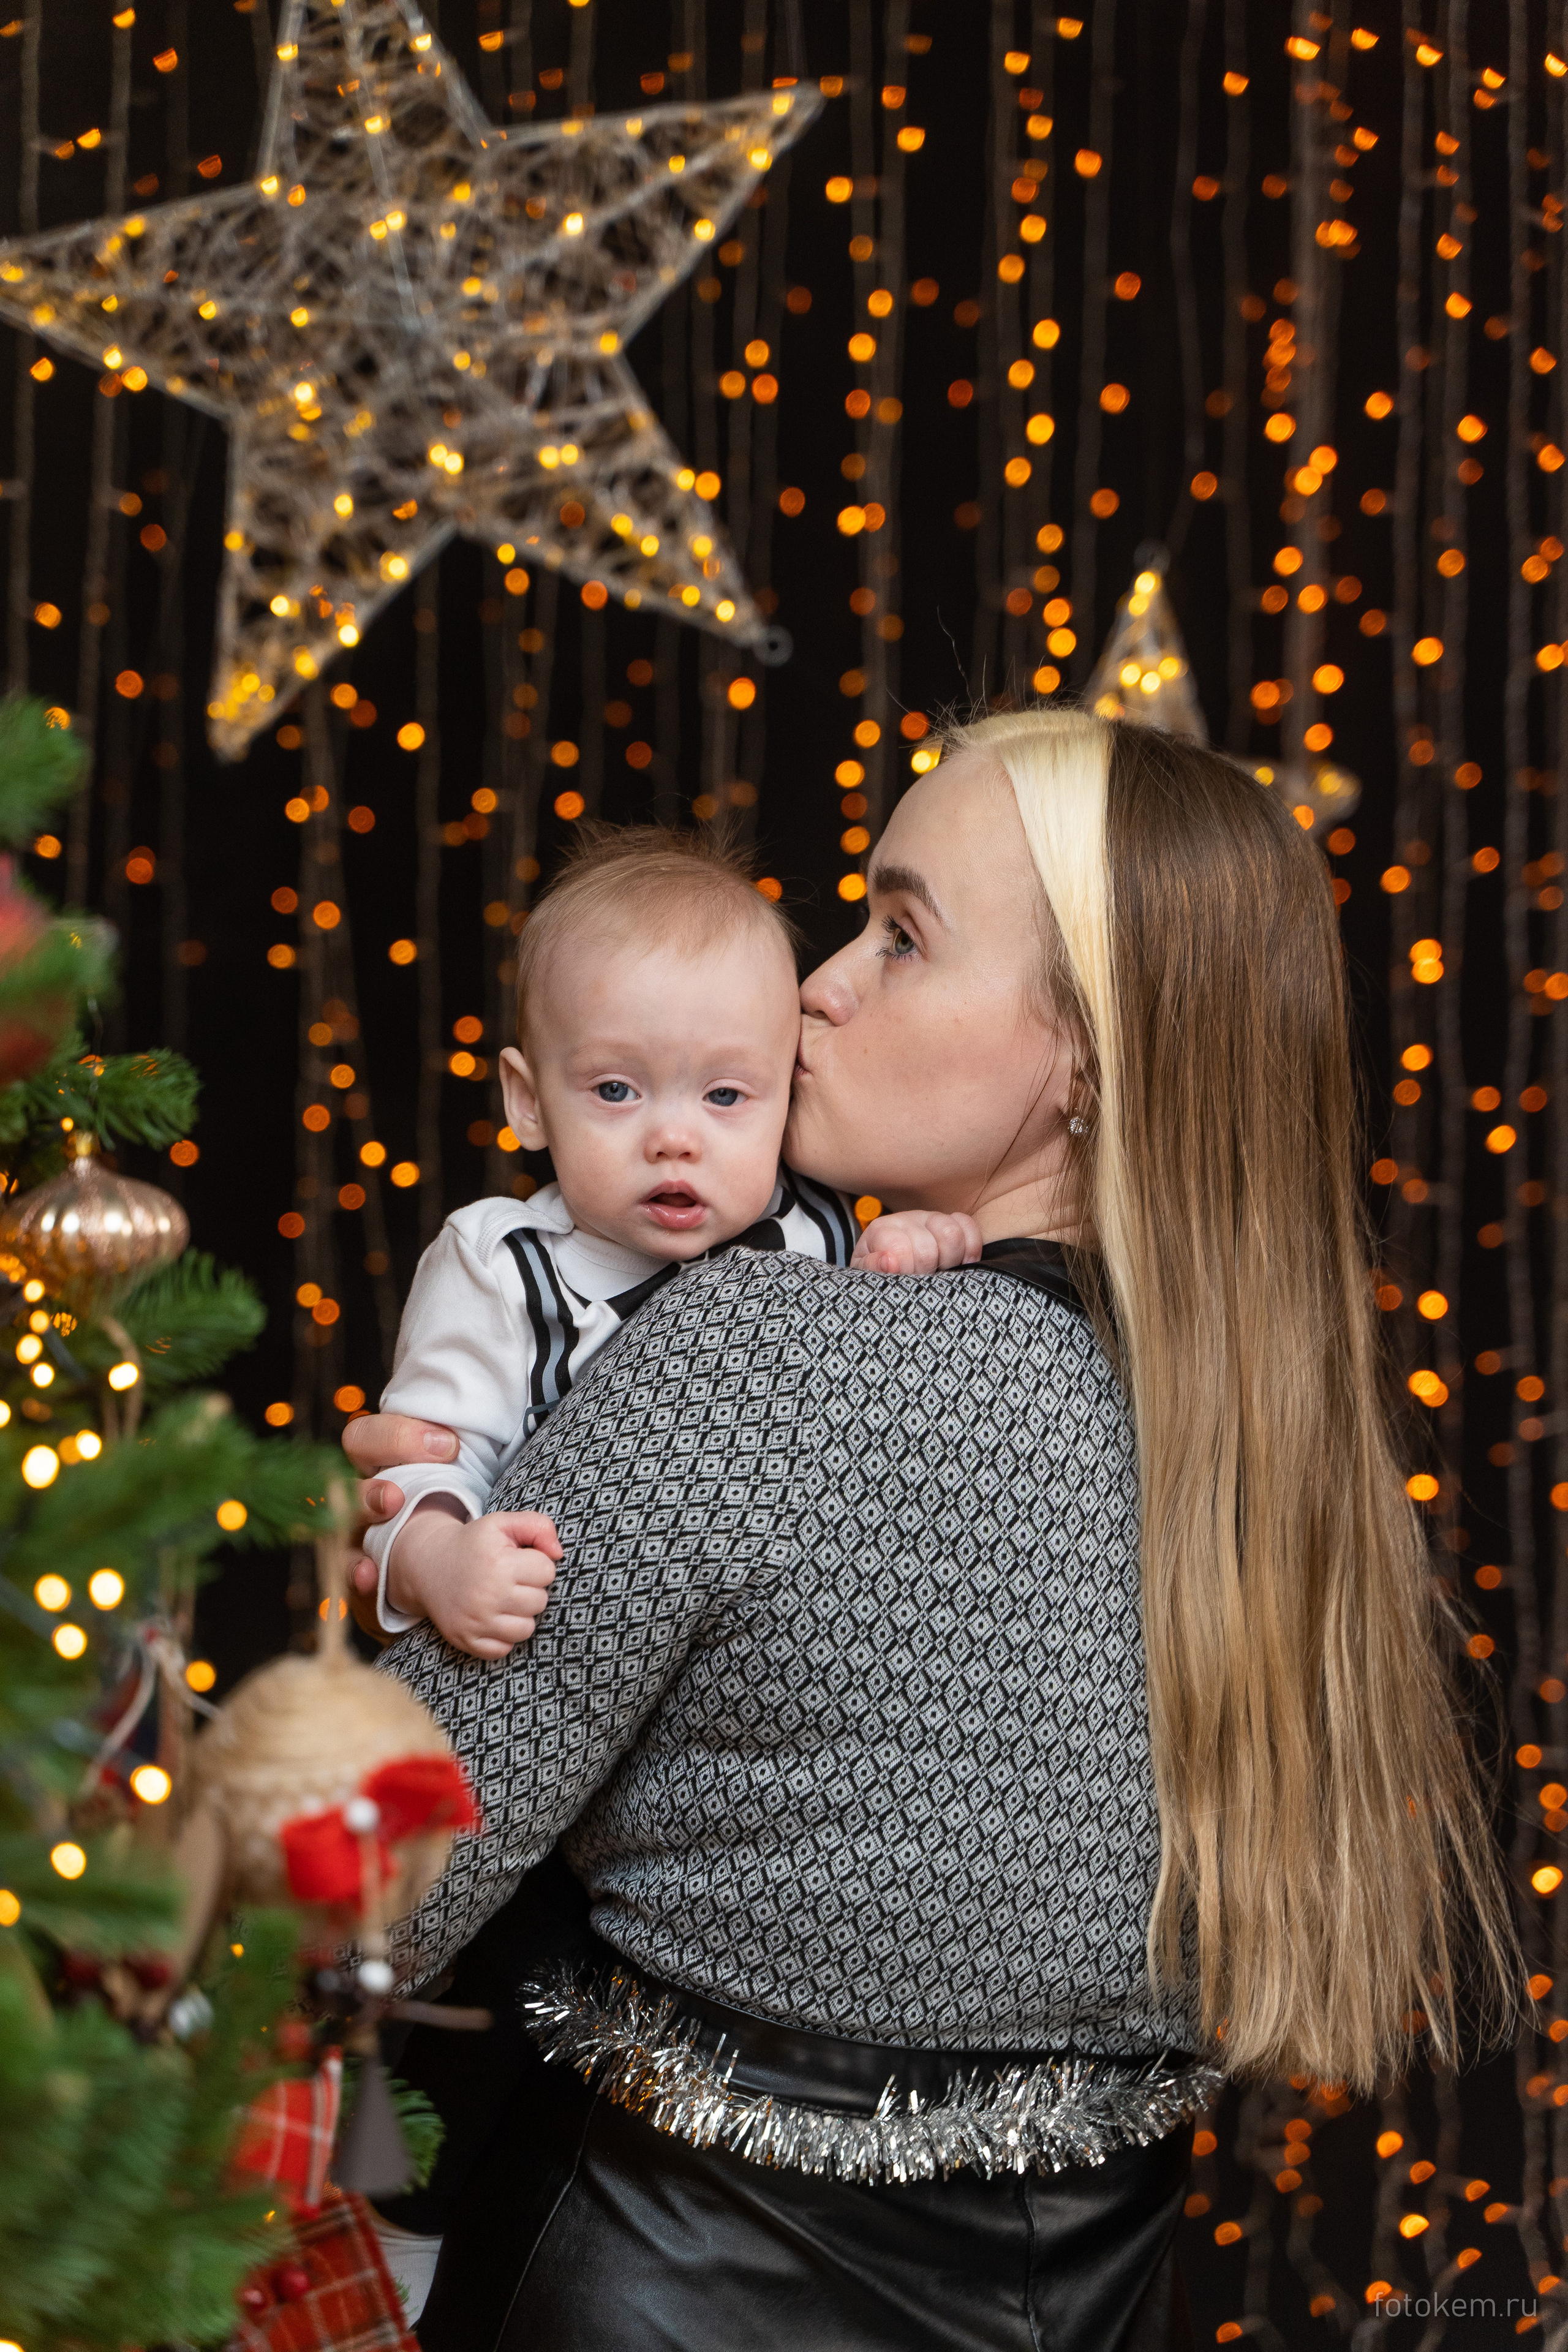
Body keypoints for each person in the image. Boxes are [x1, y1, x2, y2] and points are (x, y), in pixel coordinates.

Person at [347, 709, 1522, 2352]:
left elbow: (365, 1878)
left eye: (901, 935)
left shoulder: (761, 1352)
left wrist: (410, 1572)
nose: (816, 983)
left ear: (1088, 1058)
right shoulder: (1265, 1458)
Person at [355, 821, 982, 2312]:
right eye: (615, 1091)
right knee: (473, 2003)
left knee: (617, 2040)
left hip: (712, 1772)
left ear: (786, 1096)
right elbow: (413, 1462)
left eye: (724, 1095)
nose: (672, 1139)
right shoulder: (501, 1264)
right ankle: (389, 2247)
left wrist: (927, 1250)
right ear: (528, 1098)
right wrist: (437, 1561)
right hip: (538, 1726)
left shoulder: (820, 1238)